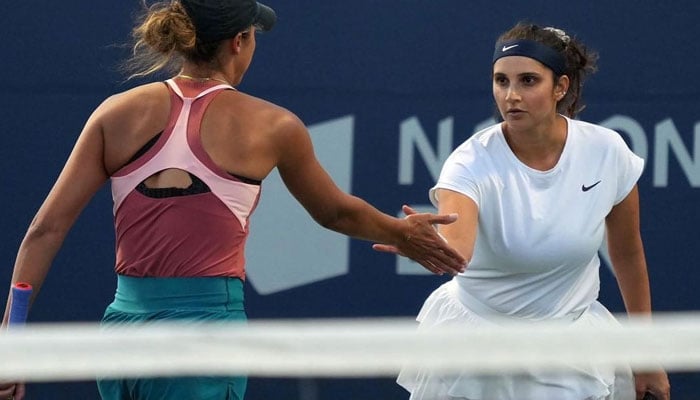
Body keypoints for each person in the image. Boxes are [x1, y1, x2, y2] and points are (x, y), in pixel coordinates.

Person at [0, 1, 467, 399]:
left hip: (122, 335)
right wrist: (402, 234)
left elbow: (45, 231)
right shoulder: (273, 125)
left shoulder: (114, 113)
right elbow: (334, 212)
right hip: (204, 338)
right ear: (239, 42)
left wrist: (12, 345)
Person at [394, 22, 671, 400]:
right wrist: (420, 241)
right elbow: (457, 249)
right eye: (501, 81)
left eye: (527, 81)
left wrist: (645, 352)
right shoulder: (469, 164)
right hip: (478, 349)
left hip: (571, 343)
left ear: (561, 87)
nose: (510, 96)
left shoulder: (607, 151)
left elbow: (627, 252)